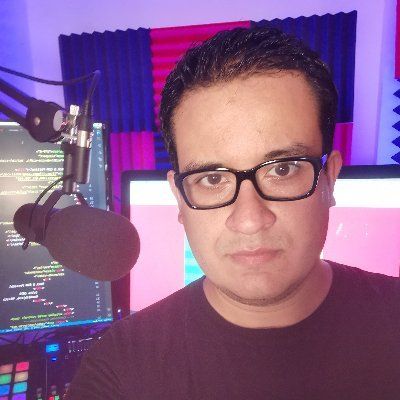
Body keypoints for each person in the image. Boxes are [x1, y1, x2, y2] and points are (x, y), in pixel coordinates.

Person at [66, 26, 400, 400]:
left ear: (330, 179)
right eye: (212, 178)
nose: (250, 220)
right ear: (179, 198)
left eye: (283, 169)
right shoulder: (118, 368)